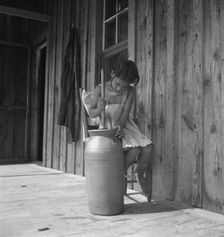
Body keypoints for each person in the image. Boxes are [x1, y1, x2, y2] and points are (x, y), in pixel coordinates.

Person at [88, 59, 152, 197]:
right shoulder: (100, 89)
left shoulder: (131, 91)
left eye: (123, 86)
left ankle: (139, 173)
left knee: (148, 148)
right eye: (117, 84)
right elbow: (92, 113)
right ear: (112, 74)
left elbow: (125, 112)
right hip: (107, 126)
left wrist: (120, 127)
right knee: (134, 150)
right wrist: (99, 108)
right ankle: (117, 175)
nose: (119, 89)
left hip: (124, 124)